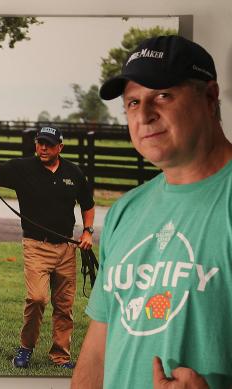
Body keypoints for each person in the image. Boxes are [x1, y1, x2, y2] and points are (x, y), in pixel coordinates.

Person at [71, 35, 232, 389]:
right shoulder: (125, 212)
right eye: (132, 102)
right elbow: (98, 350)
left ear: (209, 97)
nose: (143, 115)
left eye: (163, 95)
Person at [0, 126, 95, 369]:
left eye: (48, 144)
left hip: (67, 248)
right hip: (36, 246)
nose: (43, 148)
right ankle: (26, 348)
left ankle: (61, 356)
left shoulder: (74, 173)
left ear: (60, 147)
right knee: (36, 298)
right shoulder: (22, 169)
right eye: (40, 143)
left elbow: (88, 204)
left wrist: (87, 231)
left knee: (65, 306)